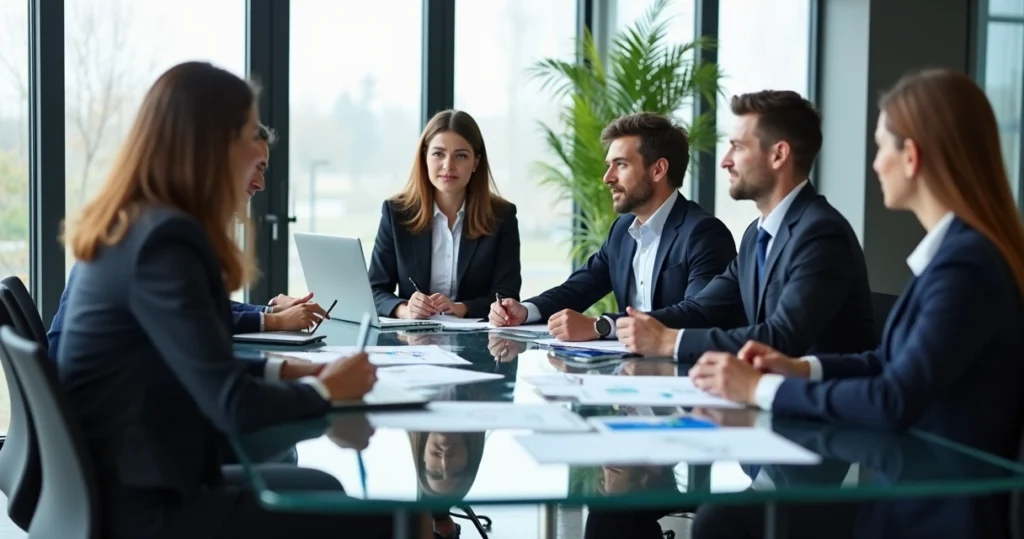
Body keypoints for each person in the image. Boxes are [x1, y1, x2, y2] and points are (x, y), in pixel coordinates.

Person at [57, 61, 430, 539]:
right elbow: (231, 406)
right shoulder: (166, 243)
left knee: (318, 483)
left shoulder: (136, 224)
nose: (260, 149)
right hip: (144, 508)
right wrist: (325, 392)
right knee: (406, 520)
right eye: (250, 133)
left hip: (120, 484)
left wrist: (301, 371)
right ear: (211, 144)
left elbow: (206, 363)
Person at [688, 69, 1024, 539]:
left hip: (932, 515)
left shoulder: (966, 267)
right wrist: (798, 369)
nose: (875, 164)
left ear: (911, 157)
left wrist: (759, 390)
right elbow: (888, 363)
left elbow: (893, 398)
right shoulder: (956, 256)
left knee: (725, 520)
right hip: (908, 493)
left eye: (881, 147)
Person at [614, 91, 875, 362]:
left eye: (737, 147)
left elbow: (782, 338)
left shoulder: (821, 233)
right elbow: (703, 309)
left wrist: (671, 341)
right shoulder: (756, 235)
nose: (725, 160)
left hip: (816, 397)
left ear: (778, 155)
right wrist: (620, 326)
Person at [46, 122, 326, 361]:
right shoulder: (164, 235)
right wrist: (313, 376)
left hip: (87, 400)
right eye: (258, 167)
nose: (261, 184)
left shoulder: (147, 218)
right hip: (104, 415)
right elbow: (204, 330)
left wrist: (270, 311)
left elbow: (198, 306)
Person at [488, 112, 736, 342]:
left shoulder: (703, 233)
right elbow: (578, 289)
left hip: (684, 375)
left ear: (658, 169)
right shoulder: (623, 230)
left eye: (621, 165)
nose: (608, 177)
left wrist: (603, 325)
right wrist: (526, 310)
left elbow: (698, 313)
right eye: (609, 165)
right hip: (630, 371)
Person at [369, 109, 521, 321]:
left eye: (461, 156)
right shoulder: (397, 213)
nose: (448, 165)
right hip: (411, 343)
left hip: (478, 343)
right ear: (425, 157)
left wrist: (461, 308)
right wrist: (406, 309)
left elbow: (507, 296)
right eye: (438, 154)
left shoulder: (501, 216)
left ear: (476, 162)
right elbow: (374, 290)